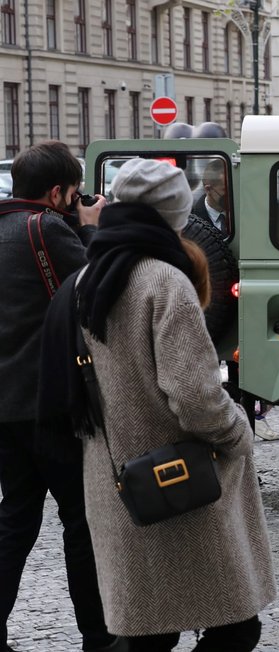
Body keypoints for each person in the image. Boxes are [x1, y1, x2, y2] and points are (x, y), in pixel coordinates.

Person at [41, 158, 275, 650]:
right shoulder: (163, 280)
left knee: (149, 634)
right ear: (175, 214)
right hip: (182, 484)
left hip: (120, 483)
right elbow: (195, 397)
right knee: (235, 628)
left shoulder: (89, 277)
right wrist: (239, 432)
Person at [0, 142, 121, 652]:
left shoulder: (7, 224)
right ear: (58, 193)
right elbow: (91, 291)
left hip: (5, 406)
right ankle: (98, 636)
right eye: (74, 193)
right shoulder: (46, 228)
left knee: (15, 520)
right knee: (82, 520)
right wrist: (91, 227)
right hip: (48, 404)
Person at [192, 159, 229, 237]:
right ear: (208, 189)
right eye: (225, 190)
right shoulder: (192, 220)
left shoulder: (241, 212)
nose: (230, 194)